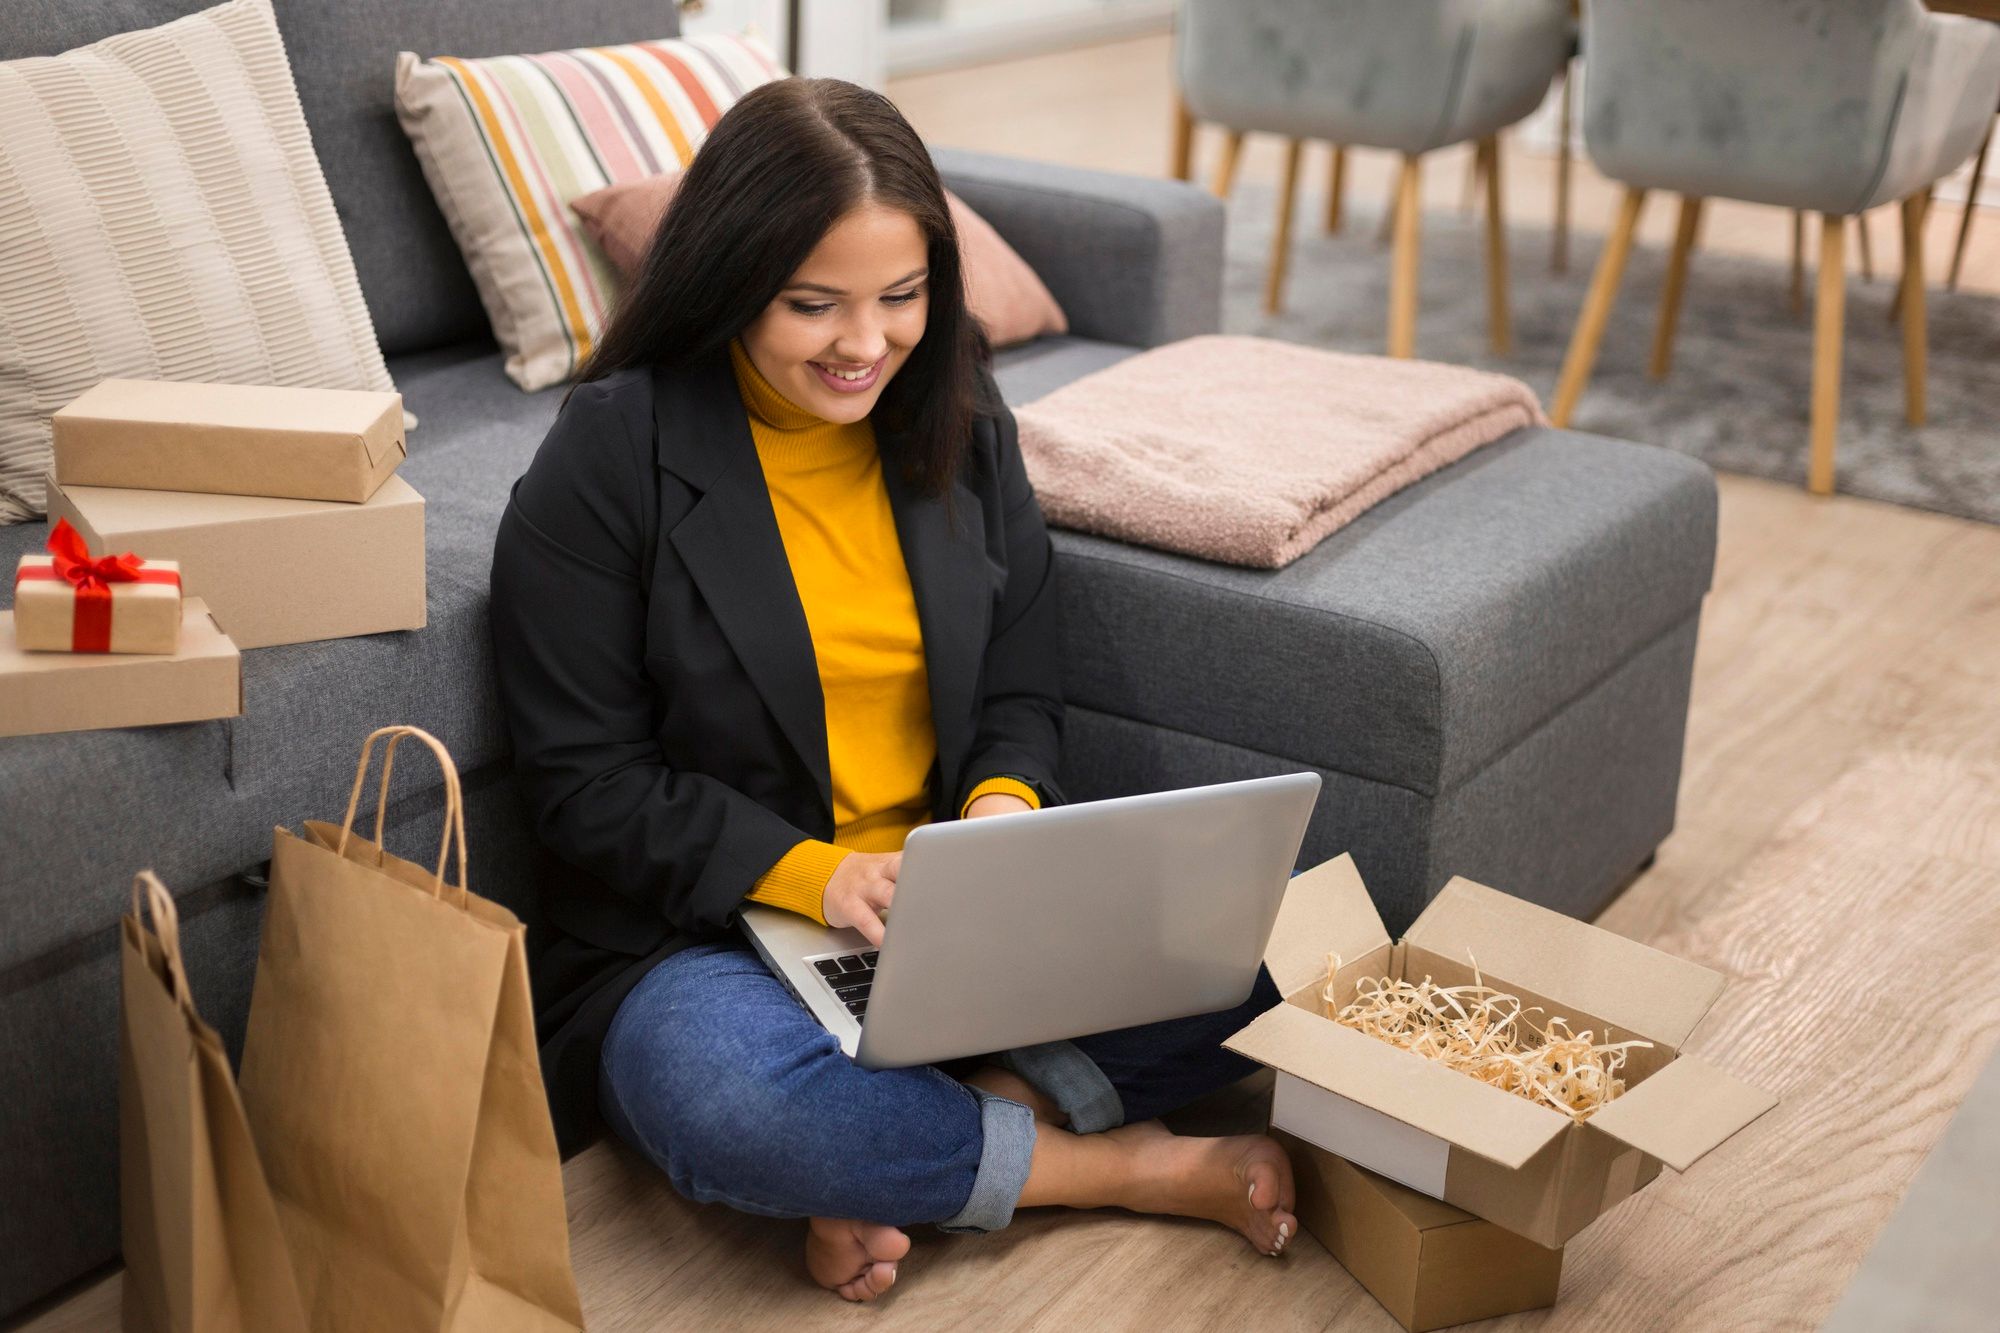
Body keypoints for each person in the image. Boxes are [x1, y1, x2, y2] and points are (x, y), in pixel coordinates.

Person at [489, 76, 1296, 1303]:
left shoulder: (959, 421)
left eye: (901, 297)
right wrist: (822, 875)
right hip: (715, 940)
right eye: (813, 305)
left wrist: (1000, 826)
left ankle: (926, 1143)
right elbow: (585, 786)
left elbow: (1023, 692)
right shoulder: (610, 458)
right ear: (728, 280)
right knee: (723, 1102)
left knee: (1273, 940)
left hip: (951, 918)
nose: (865, 344)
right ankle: (1110, 1166)